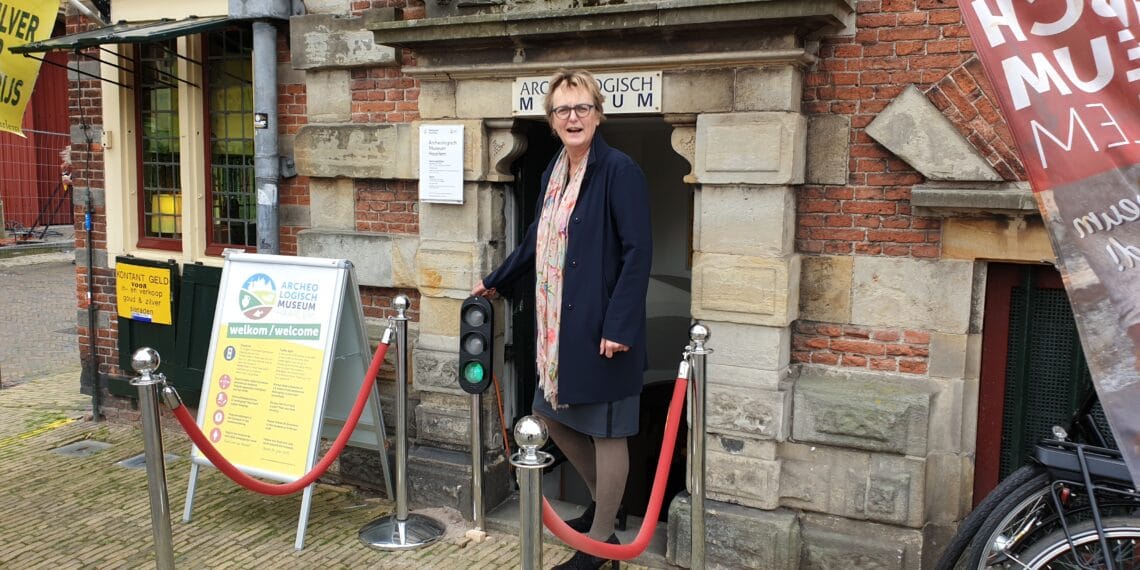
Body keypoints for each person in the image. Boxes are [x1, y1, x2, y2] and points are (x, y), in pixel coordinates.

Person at [471, 69, 652, 570]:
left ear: (598, 113)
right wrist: (497, 279)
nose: (573, 118)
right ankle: (607, 516)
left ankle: (598, 547)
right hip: (558, 329)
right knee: (549, 413)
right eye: (563, 110)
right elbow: (536, 239)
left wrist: (619, 327)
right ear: (551, 121)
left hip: (604, 329)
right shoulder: (556, 170)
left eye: (582, 108)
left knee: (608, 430)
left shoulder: (619, 170)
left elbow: (638, 253)